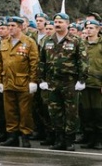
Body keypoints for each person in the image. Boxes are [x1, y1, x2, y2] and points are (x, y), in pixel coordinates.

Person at [39, 13, 88, 151]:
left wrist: (82, 80)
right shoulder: (48, 40)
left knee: (71, 112)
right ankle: (59, 139)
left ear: (67, 23)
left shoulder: (76, 40)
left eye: (60, 21)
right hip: (52, 82)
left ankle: (69, 141)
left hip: (70, 82)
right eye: (55, 21)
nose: (57, 24)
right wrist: (41, 79)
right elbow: (42, 61)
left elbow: (83, 61)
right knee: (54, 112)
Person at [0, 17, 39, 148]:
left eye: (13, 25)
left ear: (20, 27)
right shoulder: (4, 43)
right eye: (9, 25)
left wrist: (33, 81)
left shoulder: (29, 42)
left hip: (23, 81)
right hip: (7, 81)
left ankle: (25, 136)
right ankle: (12, 136)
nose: (10, 28)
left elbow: (34, 63)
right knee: (9, 111)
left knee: (25, 111)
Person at [81, 19, 102, 149]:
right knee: (86, 113)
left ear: (98, 29)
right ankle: (89, 138)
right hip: (84, 84)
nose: (89, 30)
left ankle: (99, 139)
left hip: (97, 84)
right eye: (87, 27)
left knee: (98, 113)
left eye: (92, 28)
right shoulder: (82, 44)